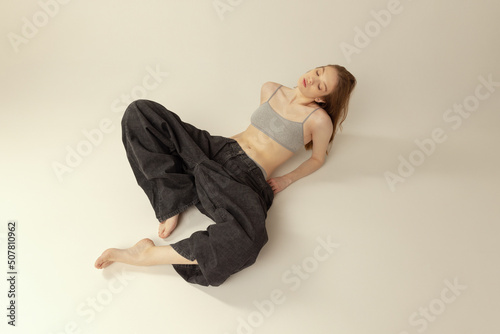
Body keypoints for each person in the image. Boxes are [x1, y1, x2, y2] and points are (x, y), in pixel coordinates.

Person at [94, 64, 356, 286]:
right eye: (319, 71)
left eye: (321, 86)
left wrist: (287, 179)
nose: (313, 79)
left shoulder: (319, 120)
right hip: (217, 150)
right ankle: (171, 201)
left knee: (249, 238)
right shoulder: (270, 88)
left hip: (247, 177)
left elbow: (318, 158)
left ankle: (147, 255)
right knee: (141, 112)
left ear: (322, 99)